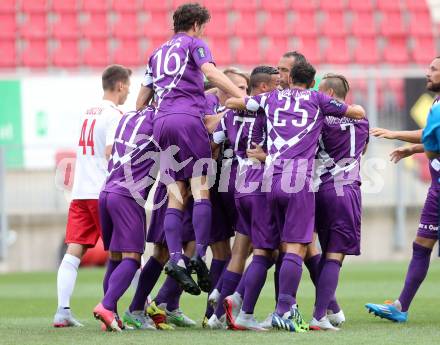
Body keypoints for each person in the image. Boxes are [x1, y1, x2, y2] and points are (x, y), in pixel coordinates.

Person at [226, 61, 365, 333]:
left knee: (264, 249)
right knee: (296, 246)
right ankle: (284, 310)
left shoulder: (271, 97)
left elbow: (234, 103)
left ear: (290, 80)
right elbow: (356, 112)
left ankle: (245, 312)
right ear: (312, 82)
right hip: (298, 178)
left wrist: (242, 102)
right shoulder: (317, 98)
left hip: (270, 178)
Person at [136, 3, 243, 294]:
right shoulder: (195, 45)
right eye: (204, 26)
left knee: (175, 192)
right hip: (188, 120)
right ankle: (197, 256)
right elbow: (212, 71)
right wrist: (241, 98)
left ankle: (175, 259)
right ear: (196, 24)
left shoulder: (156, 53)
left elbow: (140, 101)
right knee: (200, 187)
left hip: (162, 122)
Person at [53, 65, 130, 328]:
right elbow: (111, 152)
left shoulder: (87, 112)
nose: (128, 91)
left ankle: (62, 311)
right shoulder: (114, 115)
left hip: (79, 192)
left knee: (73, 253)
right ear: (120, 85)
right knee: (122, 254)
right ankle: (113, 311)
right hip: (102, 192)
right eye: (128, 86)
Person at [366, 57, 440, 322]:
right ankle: (401, 306)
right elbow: (432, 138)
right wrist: (414, 148)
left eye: (433, 69)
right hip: (437, 189)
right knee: (421, 245)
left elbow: (429, 137)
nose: (427, 73)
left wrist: (396, 134)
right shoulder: (436, 103)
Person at [93, 104, 160, 332]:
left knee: (114, 257)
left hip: (106, 191)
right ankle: (106, 306)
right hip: (128, 196)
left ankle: (110, 316)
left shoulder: (128, 115)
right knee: (132, 257)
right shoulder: (161, 120)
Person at [310, 74, 369, 330]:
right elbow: (363, 150)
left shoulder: (320, 121)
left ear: (330, 96)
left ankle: (326, 310)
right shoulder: (363, 119)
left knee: (326, 253)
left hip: (321, 189)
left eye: (321, 92)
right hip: (347, 190)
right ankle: (320, 315)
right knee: (335, 255)